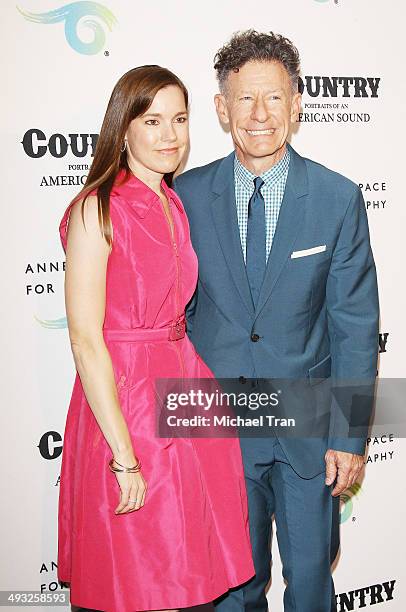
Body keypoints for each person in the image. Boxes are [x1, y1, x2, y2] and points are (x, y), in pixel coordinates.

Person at [173, 31, 379, 612]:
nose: (260, 115)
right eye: (244, 99)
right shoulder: (183, 197)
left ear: (297, 104)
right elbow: (174, 318)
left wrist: (347, 435)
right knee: (234, 588)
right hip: (218, 429)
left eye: (274, 98)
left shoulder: (338, 198)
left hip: (307, 429)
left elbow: (355, 326)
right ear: (220, 108)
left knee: (311, 580)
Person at [57, 65, 255, 612]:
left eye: (181, 119)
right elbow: (84, 339)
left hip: (183, 392)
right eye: (153, 121)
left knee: (190, 576)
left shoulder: (174, 205)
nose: (171, 135)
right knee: (130, 577)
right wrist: (124, 456)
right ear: (124, 131)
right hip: (122, 403)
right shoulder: (98, 208)